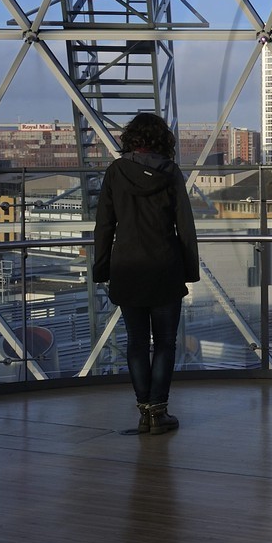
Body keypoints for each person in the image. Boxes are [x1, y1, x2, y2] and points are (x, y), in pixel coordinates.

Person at [92, 112, 199, 434]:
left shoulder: (116, 172)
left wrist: (101, 268)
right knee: (165, 342)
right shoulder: (172, 173)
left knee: (137, 341)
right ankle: (159, 411)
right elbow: (185, 227)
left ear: (131, 139)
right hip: (165, 266)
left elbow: (104, 226)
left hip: (127, 266)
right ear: (162, 140)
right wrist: (189, 271)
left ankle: (143, 412)